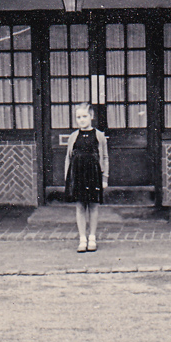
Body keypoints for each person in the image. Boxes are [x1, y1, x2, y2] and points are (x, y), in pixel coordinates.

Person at [64, 103, 109, 252]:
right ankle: (82, 238)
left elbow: (104, 157)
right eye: (78, 117)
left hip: (93, 174)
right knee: (80, 206)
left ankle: (92, 238)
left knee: (93, 206)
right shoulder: (73, 137)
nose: (81, 120)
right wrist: (67, 178)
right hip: (78, 175)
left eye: (84, 116)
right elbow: (68, 158)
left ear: (91, 116)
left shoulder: (99, 135)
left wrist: (105, 178)